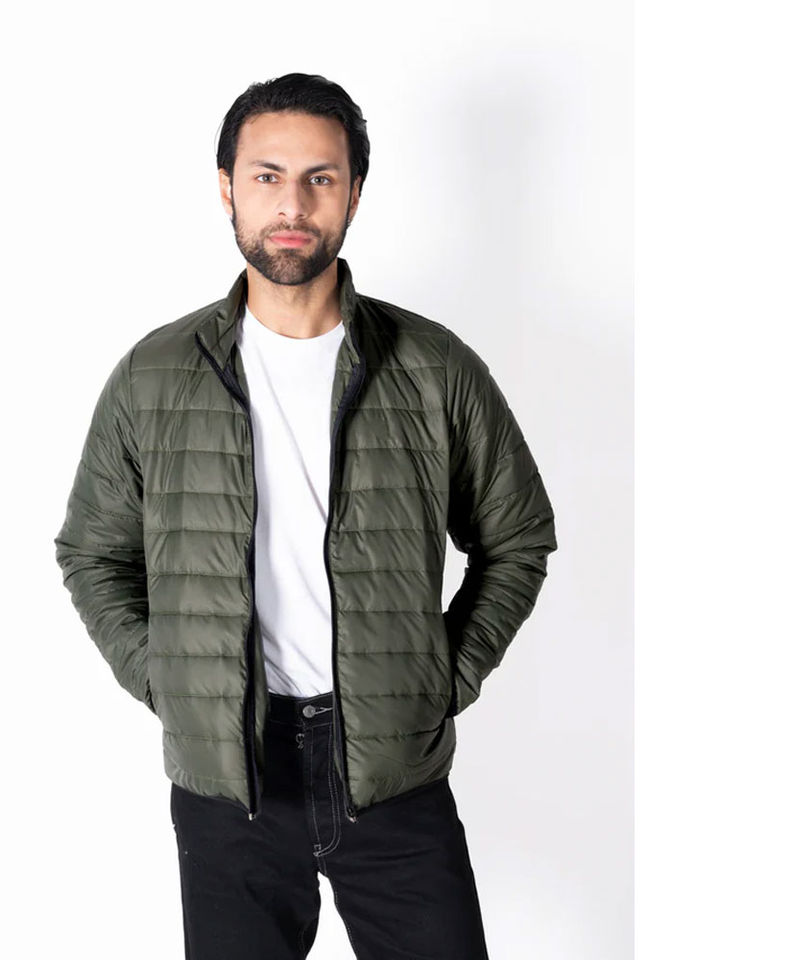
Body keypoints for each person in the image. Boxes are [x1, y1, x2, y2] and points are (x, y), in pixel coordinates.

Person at [54, 72, 557, 960]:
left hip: (393, 774)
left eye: (320, 178)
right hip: (229, 788)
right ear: (228, 188)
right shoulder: (154, 374)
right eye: (267, 176)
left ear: (354, 192)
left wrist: (440, 680)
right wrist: (172, 682)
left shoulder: (435, 367)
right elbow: (93, 553)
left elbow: (516, 540)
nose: (292, 205)